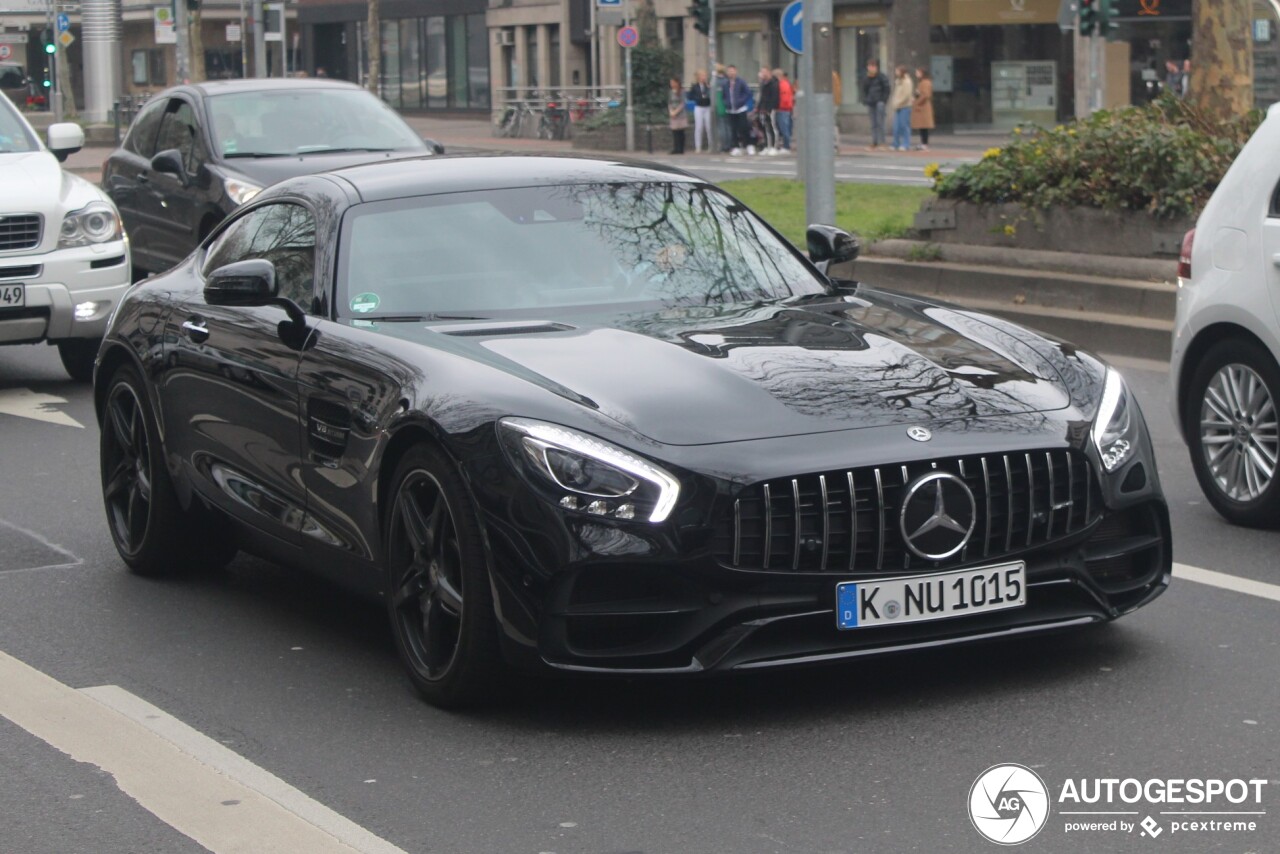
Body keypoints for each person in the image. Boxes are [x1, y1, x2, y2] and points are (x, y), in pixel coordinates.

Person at [721, 65, 754, 155]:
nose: (731, 73)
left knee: (744, 127)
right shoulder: (725, 83)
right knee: (733, 129)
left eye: (732, 71)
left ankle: (748, 145)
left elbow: (747, 93)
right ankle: (736, 146)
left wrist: (741, 101)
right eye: (729, 71)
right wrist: (726, 103)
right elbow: (723, 95)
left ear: (736, 71)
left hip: (741, 109)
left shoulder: (741, 82)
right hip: (730, 110)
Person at [860, 59, 889, 150]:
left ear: (876, 67)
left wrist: (883, 100)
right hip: (870, 102)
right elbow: (864, 89)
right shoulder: (866, 78)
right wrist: (865, 100)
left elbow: (887, 89)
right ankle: (874, 141)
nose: (871, 68)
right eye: (869, 66)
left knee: (880, 122)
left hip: (879, 102)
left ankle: (882, 142)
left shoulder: (881, 77)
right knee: (873, 124)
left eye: (873, 66)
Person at [888, 64, 914, 152]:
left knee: (904, 126)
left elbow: (907, 95)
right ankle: (895, 143)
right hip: (897, 106)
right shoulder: (898, 81)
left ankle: (905, 144)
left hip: (905, 106)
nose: (896, 72)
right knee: (896, 127)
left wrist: (898, 102)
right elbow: (896, 94)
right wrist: (894, 102)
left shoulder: (907, 81)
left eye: (897, 71)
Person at [688, 70, 713, 153]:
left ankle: (711, 146)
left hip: (707, 107)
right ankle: (698, 146)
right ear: (698, 77)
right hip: (699, 107)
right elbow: (690, 96)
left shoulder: (708, 85)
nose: (703, 78)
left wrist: (709, 87)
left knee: (709, 127)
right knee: (699, 127)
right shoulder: (695, 86)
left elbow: (711, 94)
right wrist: (697, 98)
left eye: (704, 76)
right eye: (702, 76)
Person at [756, 67, 779, 155]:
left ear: (769, 72)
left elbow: (774, 98)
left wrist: (769, 109)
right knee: (764, 127)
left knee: (772, 127)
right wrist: (759, 108)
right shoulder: (763, 84)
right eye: (762, 72)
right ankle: (766, 145)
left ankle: (773, 146)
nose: (763, 74)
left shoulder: (773, 83)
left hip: (770, 109)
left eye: (764, 72)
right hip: (763, 108)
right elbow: (761, 97)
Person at [911, 66, 935, 151]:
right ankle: (923, 143)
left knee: (924, 126)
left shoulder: (925, 82)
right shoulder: (922, 82)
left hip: (923, 107)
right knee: (922, 126)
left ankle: (924, 143)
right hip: (922, 107)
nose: (916, 74)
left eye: (918, 72)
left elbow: (925, 95)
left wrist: (917, 102)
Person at [773, 68, 794, 153]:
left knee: (784, 128)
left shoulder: (782, 84)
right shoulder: (785, 83)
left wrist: (779, 106)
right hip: (784, 108)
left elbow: (784, 98)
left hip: (783, 109)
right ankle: (785, 145)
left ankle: (786, 146)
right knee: (784, 127)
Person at [667, 77, 688, 155]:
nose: (671, 84)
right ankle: (675, 148)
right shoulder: (670, 92)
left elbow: (683, 103)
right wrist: (671, 111)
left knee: (681, 131)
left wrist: (676, 112)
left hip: (680, 114)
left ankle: (681, 148)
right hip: (673, 114)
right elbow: (669, 102)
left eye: (672, 82)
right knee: (674, 131)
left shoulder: (682, 92)